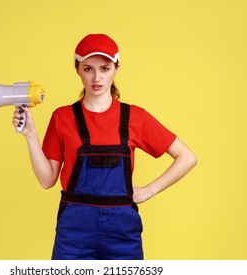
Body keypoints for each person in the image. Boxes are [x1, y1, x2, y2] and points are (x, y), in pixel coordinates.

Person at [12, 34, 197, 260]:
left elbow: (187, 157)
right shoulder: (62, 117)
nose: (96, 78)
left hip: (122, 236)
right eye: (88, 69)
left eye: (105, 68)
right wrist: (30, 135)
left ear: (116, 69)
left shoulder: (135, 118)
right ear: (77, 69)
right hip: (74, 235)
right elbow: (47, 180)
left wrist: (149, 190)